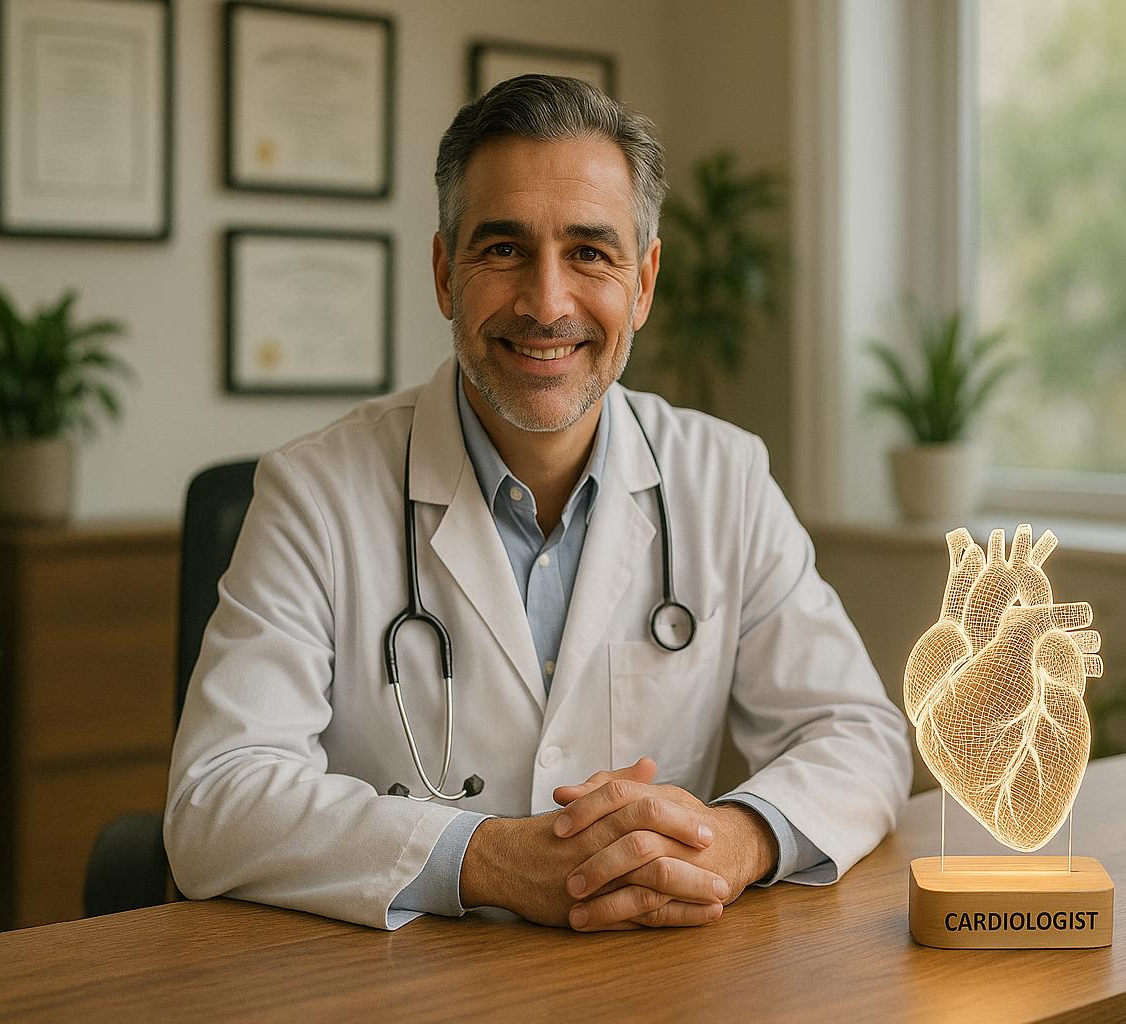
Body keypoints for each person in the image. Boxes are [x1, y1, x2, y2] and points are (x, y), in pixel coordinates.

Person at [164, 75, 911, 932]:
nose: (547, 303)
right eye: (504, 250)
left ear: (644, 282)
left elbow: (858, 734)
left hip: (645, 980)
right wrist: (489, 860)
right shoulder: (314, 493)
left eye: (591, 252)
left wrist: (729, 839)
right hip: (393, 986)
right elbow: (215, 801)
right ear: (447, 275)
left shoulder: (725, 478)